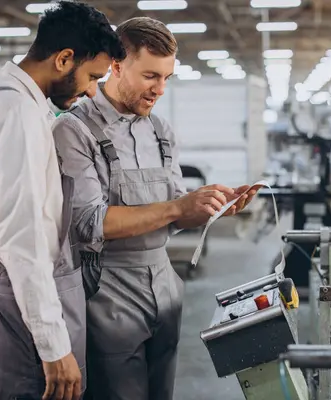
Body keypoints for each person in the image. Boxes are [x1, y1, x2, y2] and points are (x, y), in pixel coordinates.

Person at [52, 16, 257, 400]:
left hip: (164, 284)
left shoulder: (160, 131)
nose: (160, 89)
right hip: (107, 291)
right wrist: (179, 206)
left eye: (166, 78)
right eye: (150, 76)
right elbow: (88, 222)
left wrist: (211, 207)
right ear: (115, 65)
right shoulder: (75, 130)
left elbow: (176, 217)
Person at [0, 2, 124, 399]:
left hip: (29, 297)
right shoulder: (15, 112)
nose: (90, 91)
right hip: (23, 308)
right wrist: (53, 347)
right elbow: (24, 238)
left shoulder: (22, 104)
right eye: (91, 77)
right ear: (64, 59)